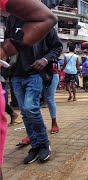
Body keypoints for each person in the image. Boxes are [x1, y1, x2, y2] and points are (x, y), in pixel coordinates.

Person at [0, 1, 57, 177]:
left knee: (31, 108)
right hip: (16, 74)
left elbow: (57, 48)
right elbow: (8, 45)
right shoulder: (11, 20)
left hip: (34, 72)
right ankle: (35, 145)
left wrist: (45, 60)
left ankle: (44, 143)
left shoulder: (41, 19)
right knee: (24, 111)